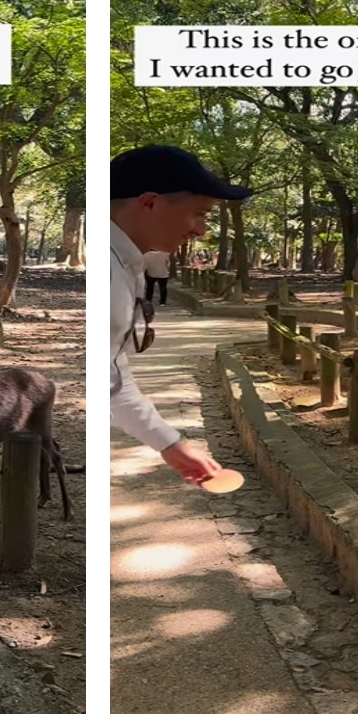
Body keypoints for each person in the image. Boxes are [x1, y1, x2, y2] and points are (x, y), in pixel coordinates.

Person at [110, 144, 253, 484]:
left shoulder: (124, 263)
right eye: (199, 213)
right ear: (150, 202)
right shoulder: (106, 270)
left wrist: (169, 443)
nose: (201, 230)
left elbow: (111, 375)